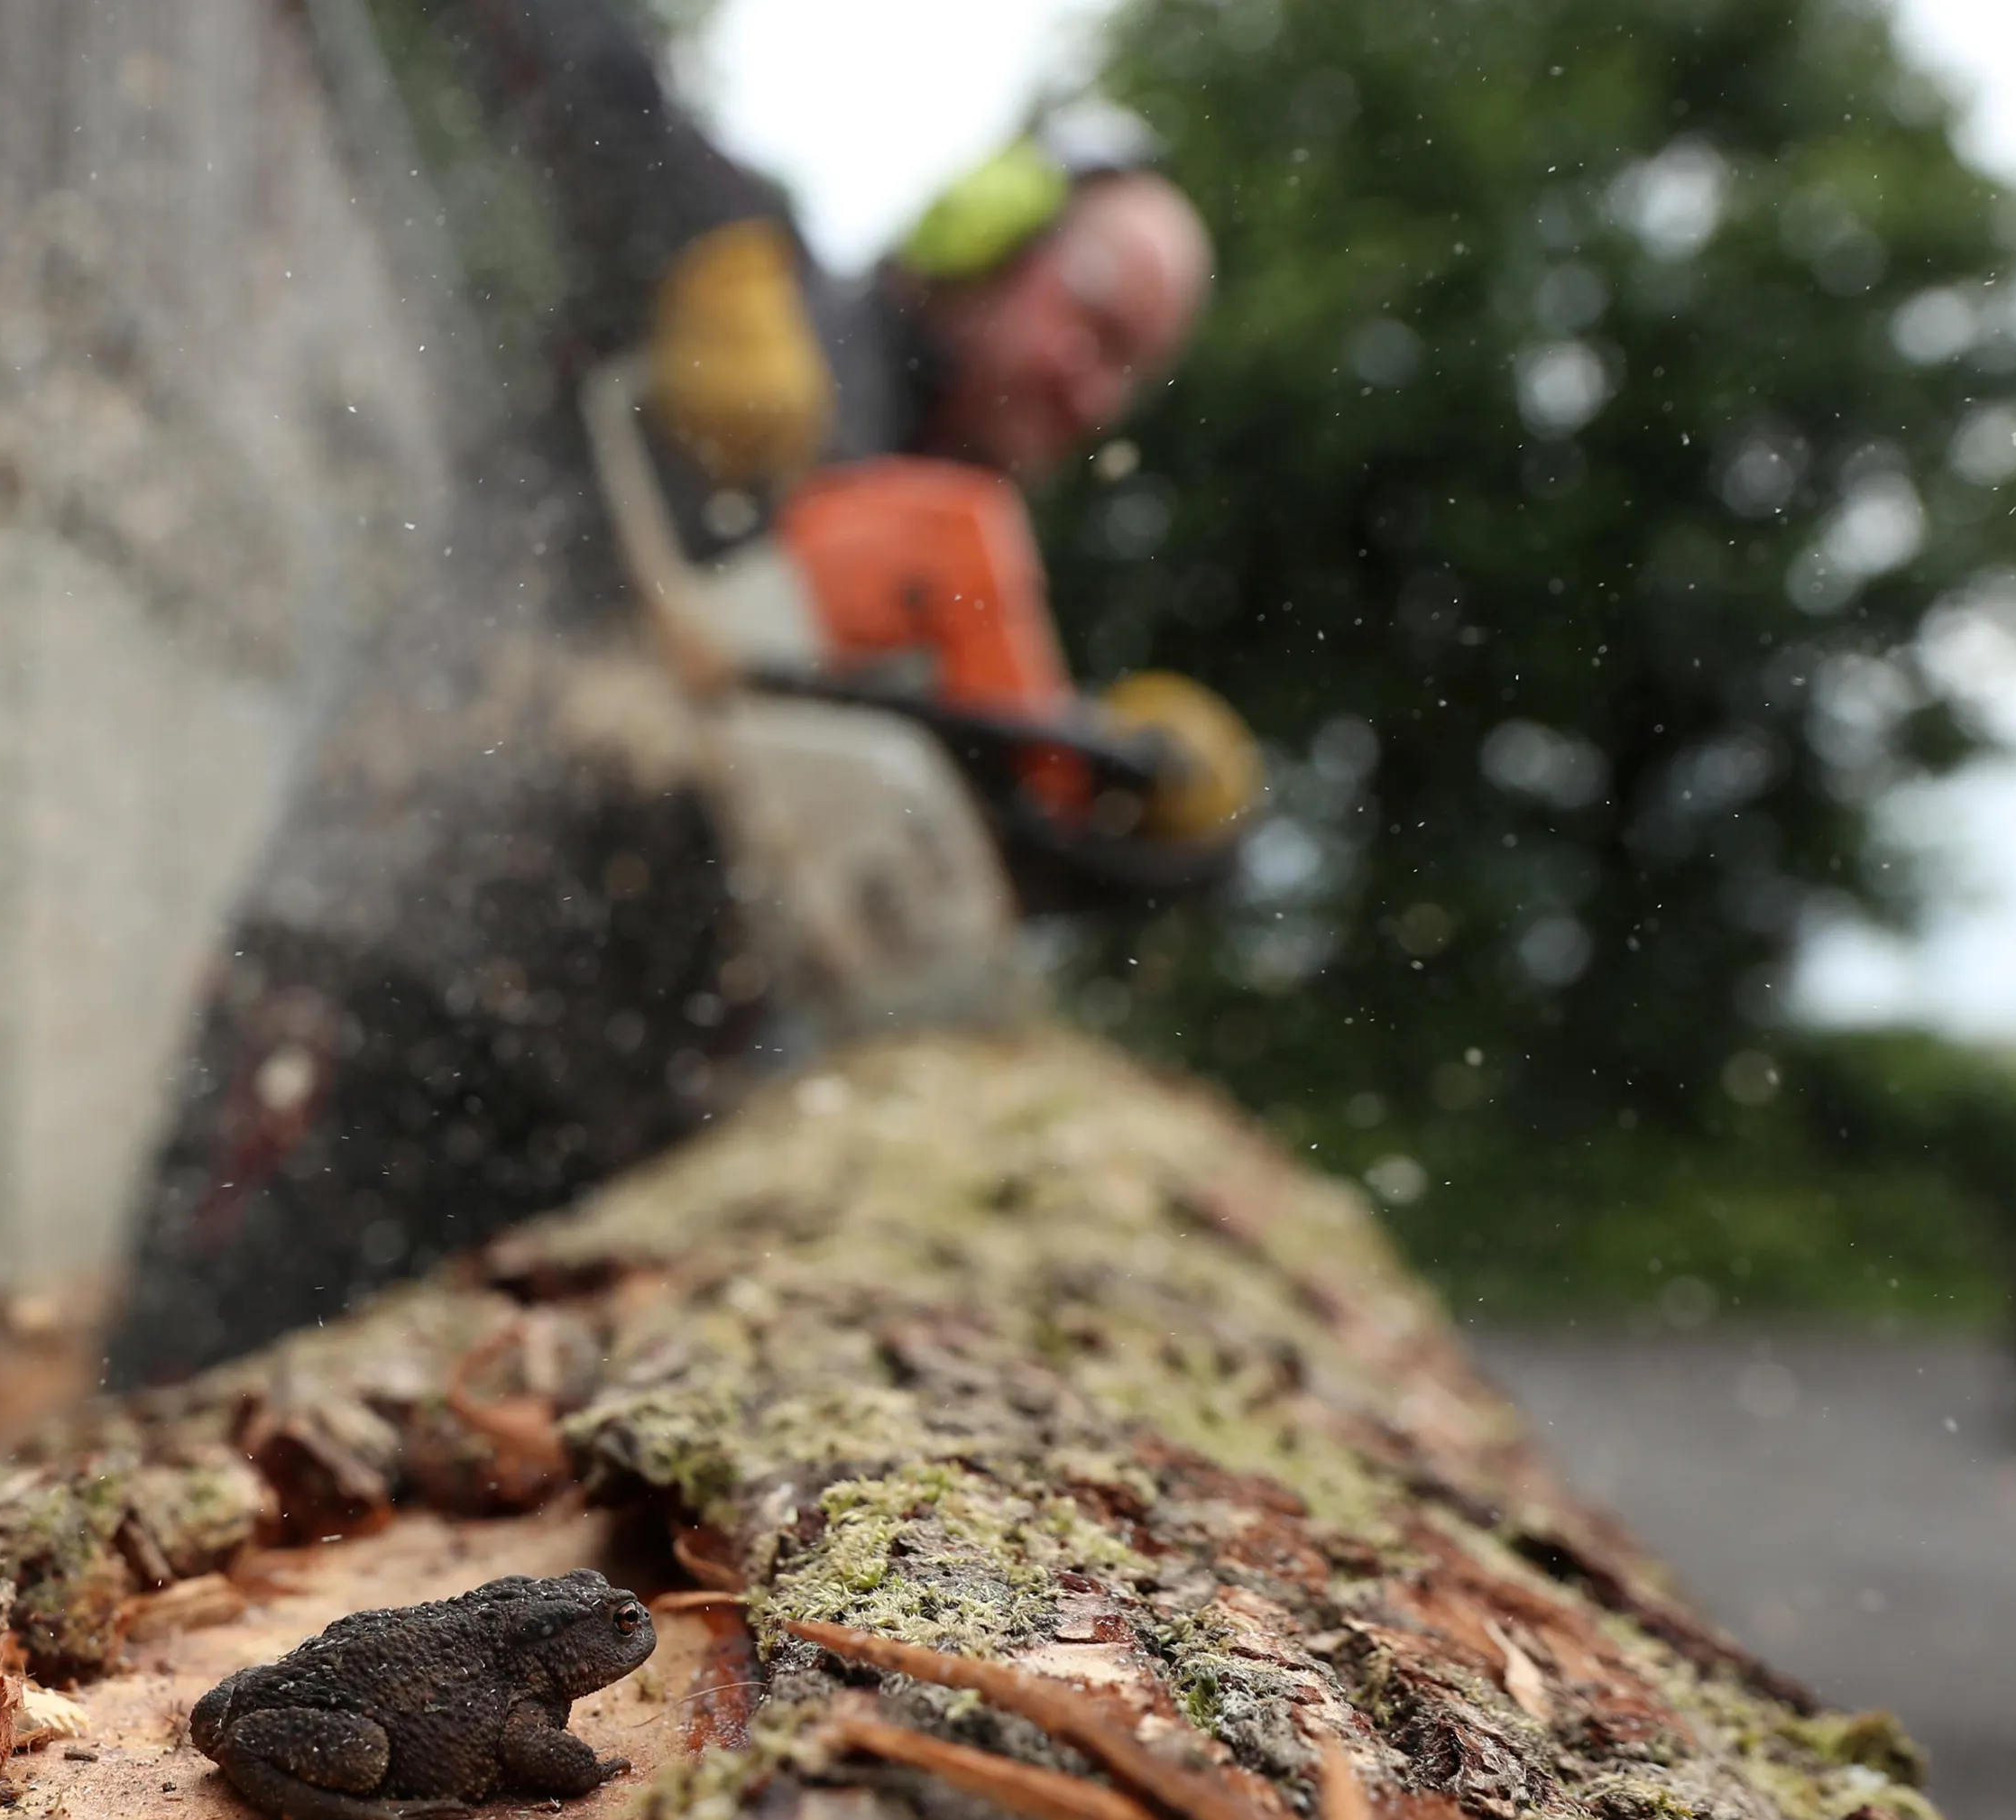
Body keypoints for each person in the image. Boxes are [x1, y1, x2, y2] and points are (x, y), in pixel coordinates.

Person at [103, 0, 1221, 1386]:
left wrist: (1144, 813)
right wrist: (696, 252)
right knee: (181, 1400)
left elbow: (957, 861)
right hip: (384, 973)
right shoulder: (767, 293)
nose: (1092, 392)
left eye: (1128, 373)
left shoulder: (944, 572)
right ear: (983, 231)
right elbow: (581, 63)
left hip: (610, 1117)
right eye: (1092, 326)